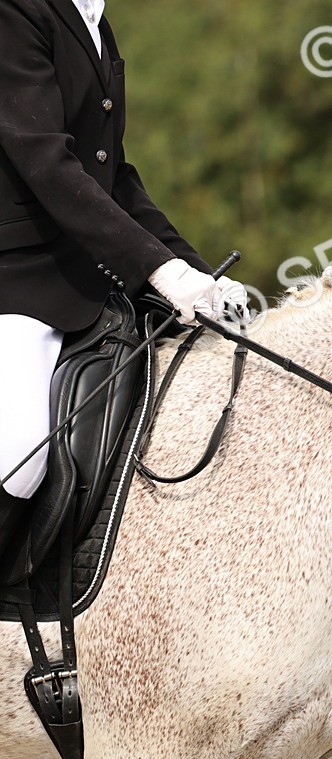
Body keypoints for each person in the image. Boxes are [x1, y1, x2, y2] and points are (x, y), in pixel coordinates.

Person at [0, 0, 247, 592]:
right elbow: (46, 162)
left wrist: (194, 273)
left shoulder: (94, 21)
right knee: (23, 456)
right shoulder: (17, 10)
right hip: (17, 283)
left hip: (84, 286)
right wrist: (157, 272)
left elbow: (115, 175)